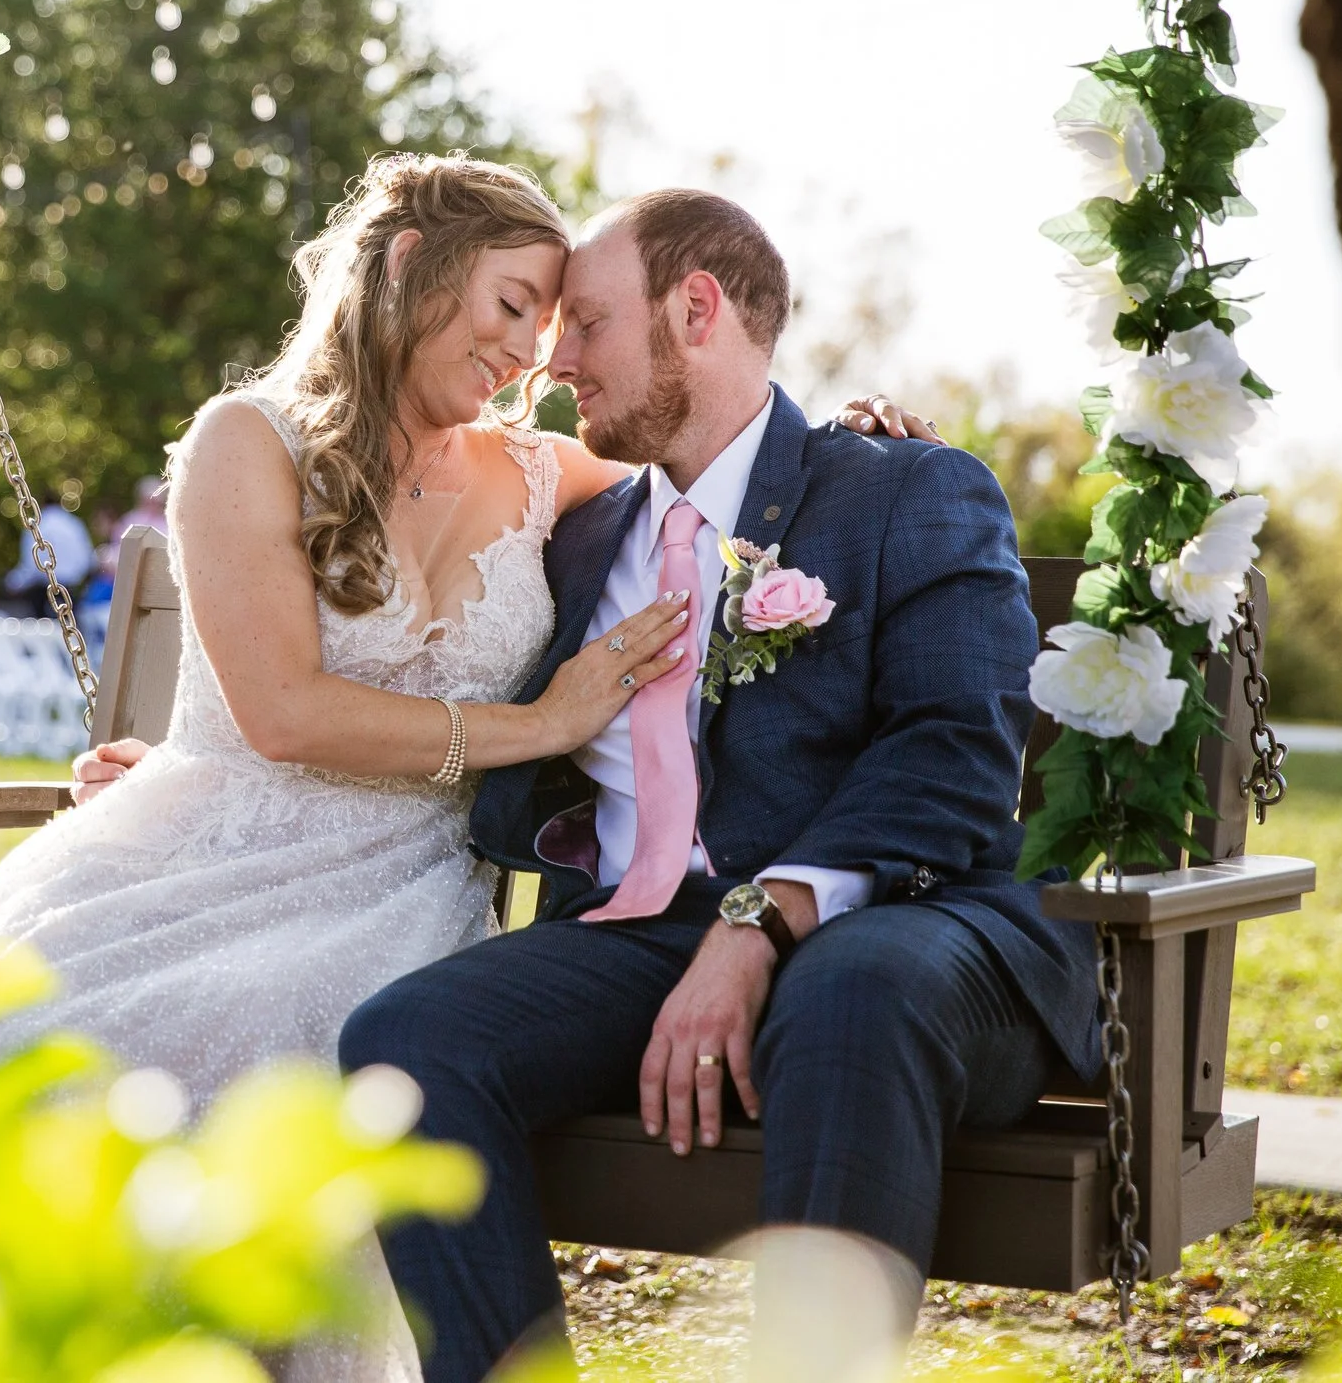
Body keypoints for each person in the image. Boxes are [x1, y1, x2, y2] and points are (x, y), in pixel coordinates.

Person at [0, 156, 934, 1379]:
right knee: (4, 1058)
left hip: (401, 891)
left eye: (546, 327)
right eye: (513, 302)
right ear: (413, 260)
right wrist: (542, 722)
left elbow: (722, 450)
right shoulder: (243, 442)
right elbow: (286, 713)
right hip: (203, 850)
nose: (527, 351)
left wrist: (857, 442)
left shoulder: (539, 471)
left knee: (314, 1040)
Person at [334, 191, 1098, 1383]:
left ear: (696, 310)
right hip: (643, 937)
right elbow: (421, 655)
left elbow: (957, 750)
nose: (557, 361)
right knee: (404, 1039)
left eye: (586, 323)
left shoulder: (904, 488)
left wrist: (762, 916)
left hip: (895, 924)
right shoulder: (580, 536)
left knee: (848, 988)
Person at [0, 496, 96, 618]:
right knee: (72, 622)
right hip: (71, 589)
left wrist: (13, 582)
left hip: (43, 589)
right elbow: (87, 558)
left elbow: (31, 565)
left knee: (41, 625)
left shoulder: (37, 526)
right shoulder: (74, 524)